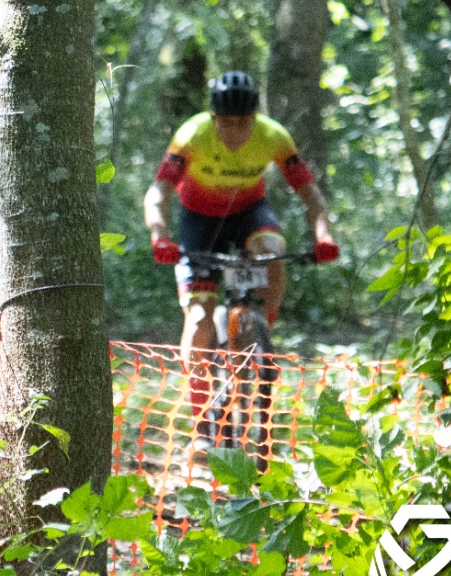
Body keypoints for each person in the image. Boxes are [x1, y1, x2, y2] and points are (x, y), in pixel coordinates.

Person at [142, 70, 339, 448]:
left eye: (243, 123)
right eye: (227, 123)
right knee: (199, 319)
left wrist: (324, 234)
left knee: (272, 252)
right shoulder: (192, 135)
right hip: (199, 220)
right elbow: (158, 192)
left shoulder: (273, 136)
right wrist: (159, 235)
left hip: (249, 212)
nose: (235, 131)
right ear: (213, 118)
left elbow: (310, 193)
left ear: (255, 117)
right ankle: (203, 422)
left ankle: (260, 331)